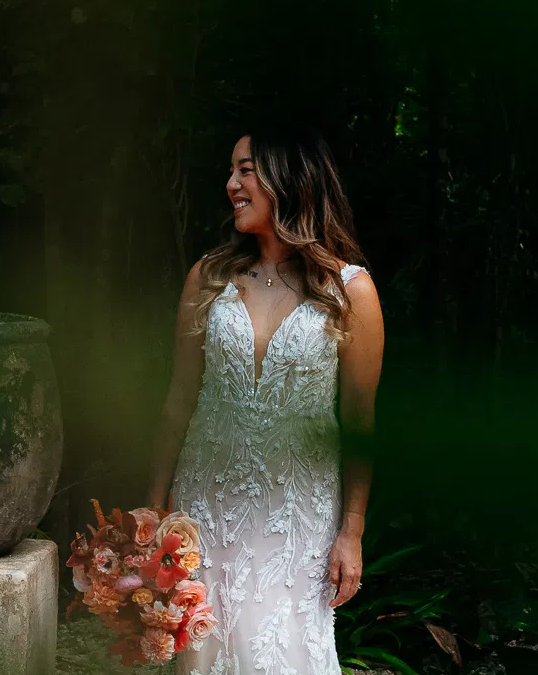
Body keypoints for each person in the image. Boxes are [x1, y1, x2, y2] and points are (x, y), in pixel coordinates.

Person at [147, 125, 385, 675]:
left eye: (245, 169)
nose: (231, 184)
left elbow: (359, 424)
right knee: (200, 655)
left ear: (290, 176)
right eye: (231, 171)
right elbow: (177, 403)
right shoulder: (208, 278)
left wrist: (352, 532)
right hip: (202, 509)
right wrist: (152, 511)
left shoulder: (350, 291)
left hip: (296, 520)